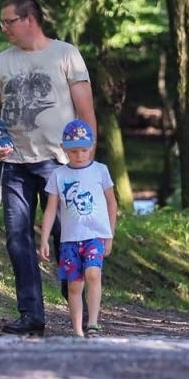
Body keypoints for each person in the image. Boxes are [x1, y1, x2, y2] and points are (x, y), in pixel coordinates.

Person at [0, 0, 95, 335]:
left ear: (29, 19)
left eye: (8, 21)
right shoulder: (3, 61)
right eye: (2, 23)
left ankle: (81, 312)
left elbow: (86, 114)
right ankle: (31, 315)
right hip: (14, 164)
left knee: (67, 238)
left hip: (58, 164)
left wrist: (86, 165)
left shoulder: (65, 55)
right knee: (18, 239)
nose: (4, 28)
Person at [37, 119, 117, 338]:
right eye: (73, 151)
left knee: (93, 273)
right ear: (64, 150)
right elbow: (51, 209)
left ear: (91, 147)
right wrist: (44, 239)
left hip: (95, 236)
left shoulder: (100, 171)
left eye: (84, 150)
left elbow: (112, 203)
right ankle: (78, 330)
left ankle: (93, 323)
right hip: (69, 239)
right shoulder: (59, 175)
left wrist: (109, 235)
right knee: (74, 286)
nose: (79, 155)